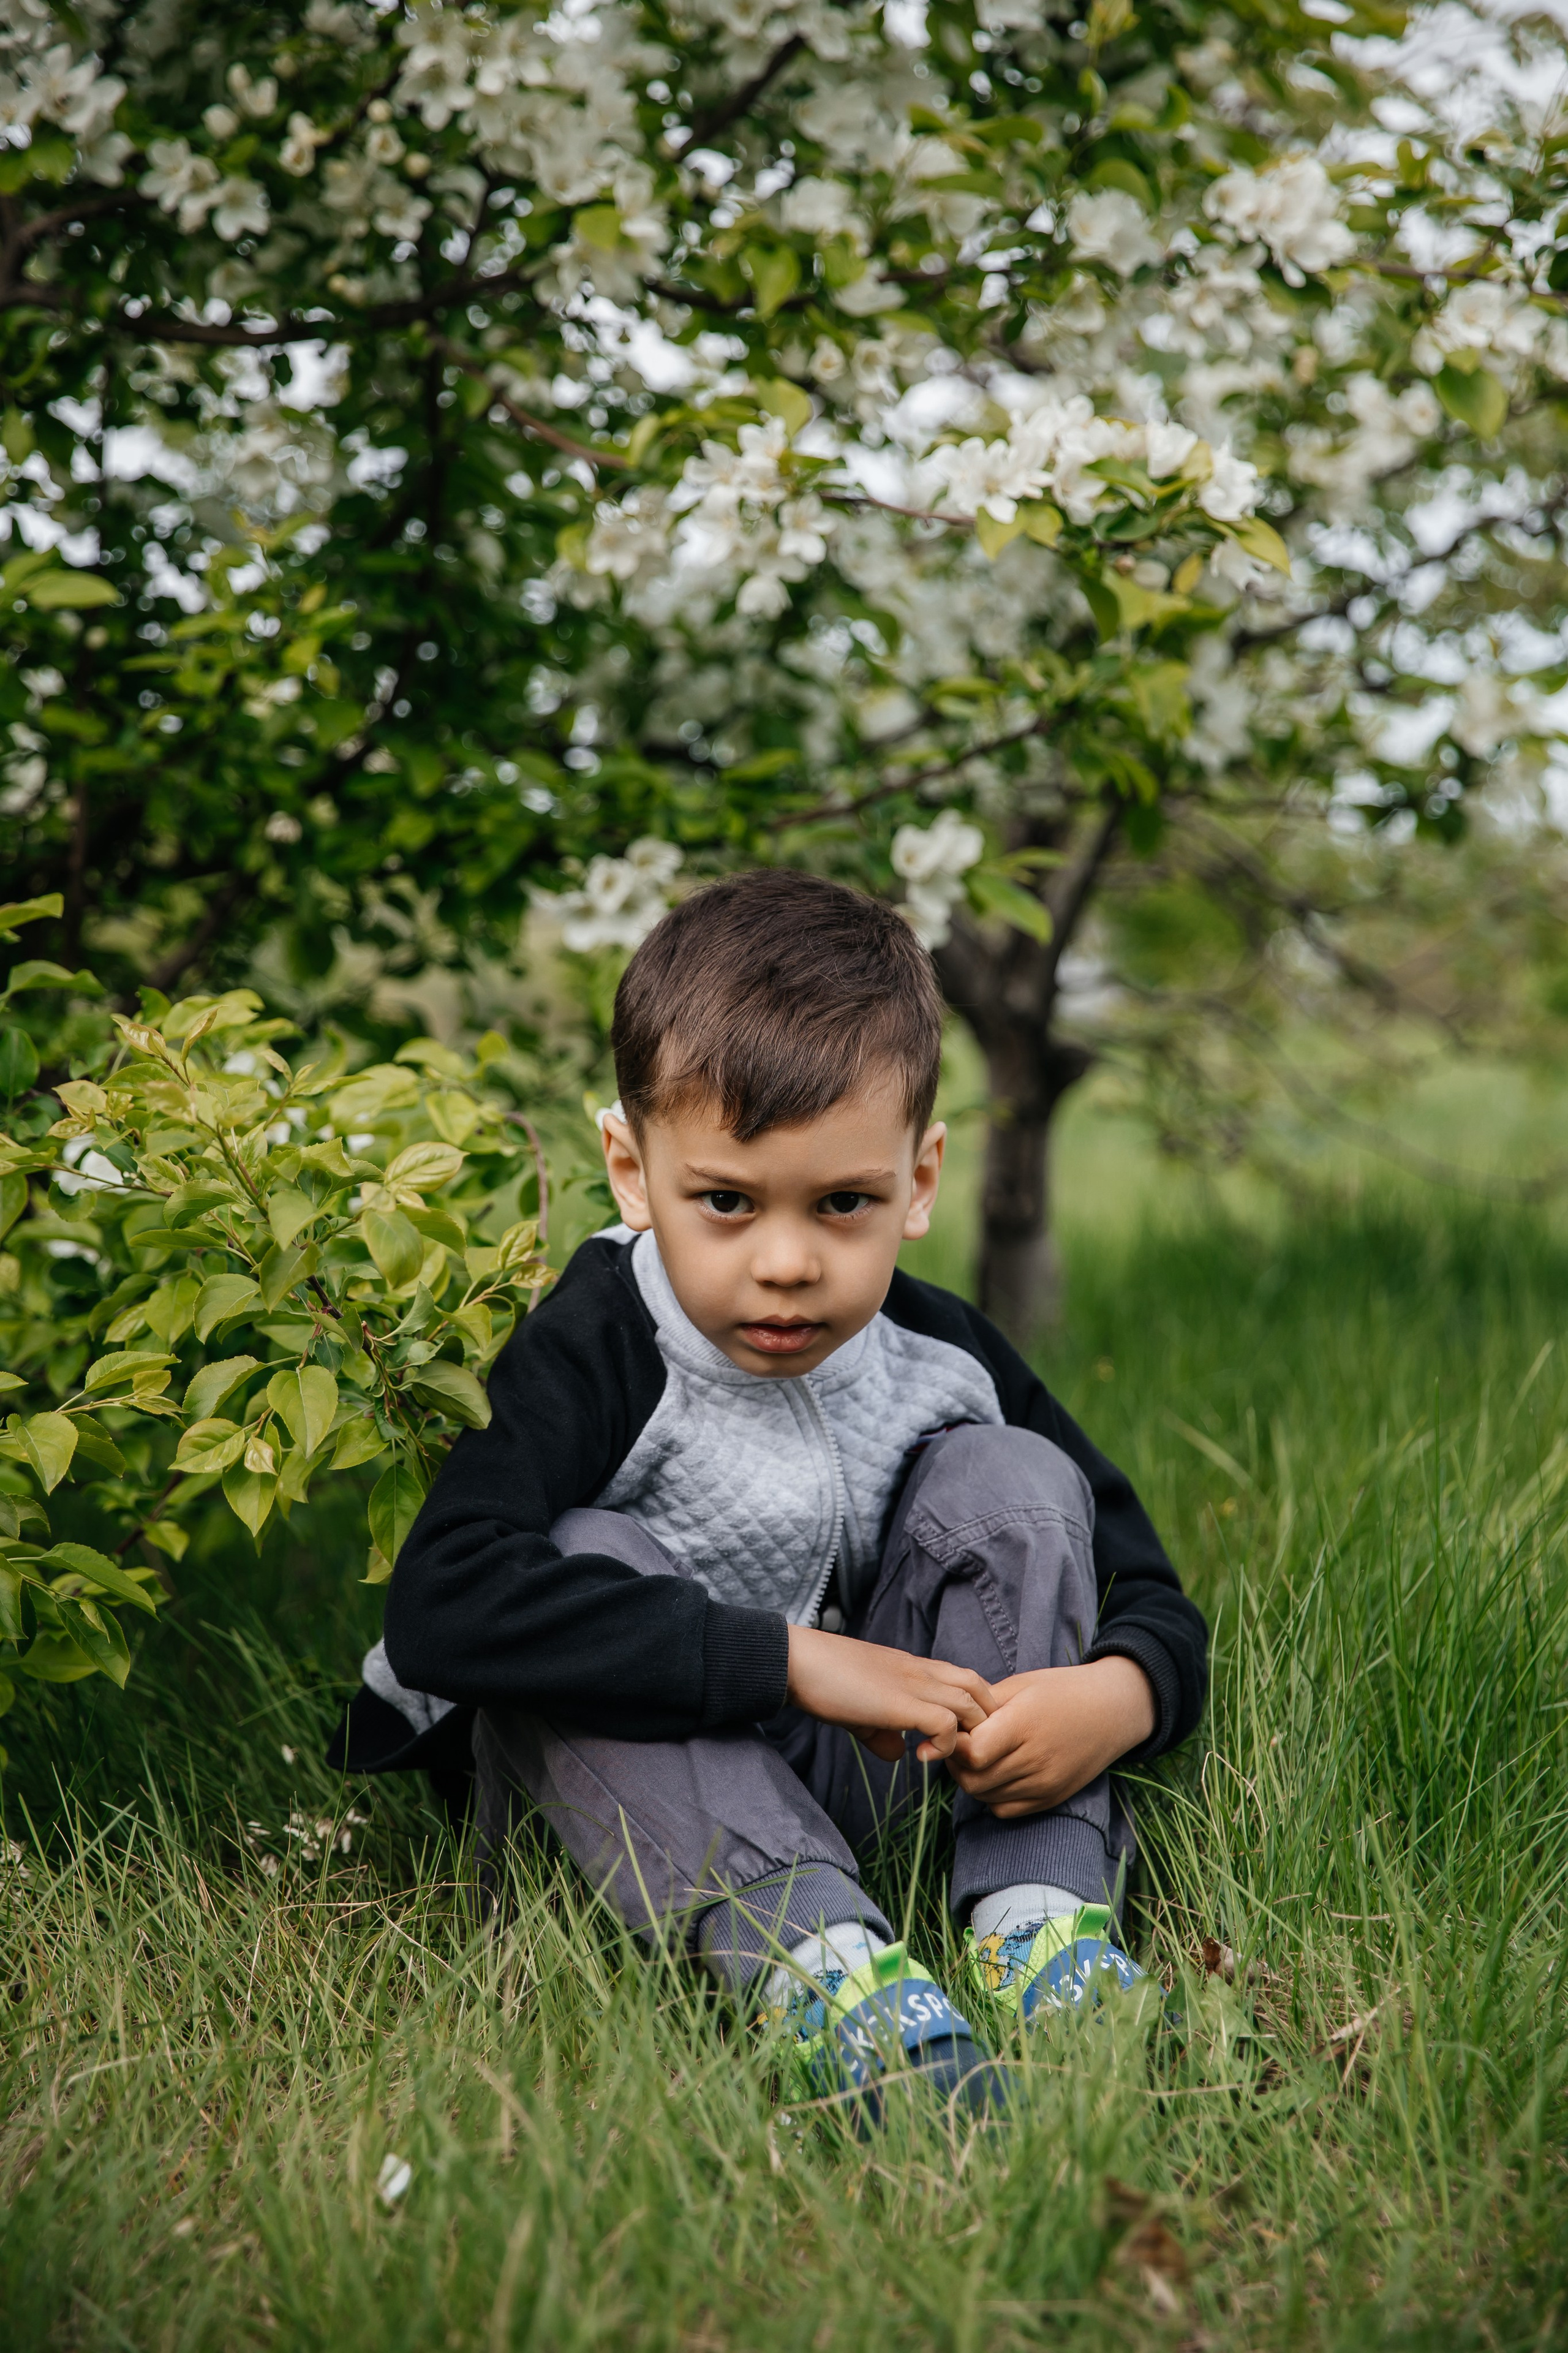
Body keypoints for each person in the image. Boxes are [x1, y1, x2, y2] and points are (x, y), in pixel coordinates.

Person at [337, 869, 1207, 2118]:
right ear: (631, 1170)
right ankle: (828, 1976)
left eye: (842, 1203)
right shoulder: (596, 1343)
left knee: (1013, 1476)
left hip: (862, 1765)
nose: (787, 1262)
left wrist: (1115, 1695)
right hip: (619, 1805)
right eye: (726, 1203)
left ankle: (1038, 1932)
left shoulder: (940, 1353)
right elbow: (441, 1608)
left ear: (916, 1181)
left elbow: (1147, 1589)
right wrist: (788, 1661)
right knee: (583, 1551)